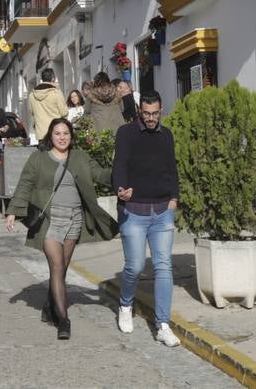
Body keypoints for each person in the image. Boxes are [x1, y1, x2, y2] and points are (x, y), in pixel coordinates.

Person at [5, 117, 118, 341]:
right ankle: (63, 319)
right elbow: (25, 183)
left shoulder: (80, 158)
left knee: (62, 269)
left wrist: (121, 172)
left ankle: (50, 307)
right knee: (57, 265)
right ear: (50, 135)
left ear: (71, 136)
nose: (62, 137)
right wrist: (13, 211)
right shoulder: (38, 158)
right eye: (57, 133)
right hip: (50, 220)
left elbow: (100, 175)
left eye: (66, 133)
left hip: (74, 219)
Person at [112, 93, 181, 347]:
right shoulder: (126, 133)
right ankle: (126, 304)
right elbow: (119, 164)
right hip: (134, 211)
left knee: (164, 266)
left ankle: (163, 324)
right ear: (140, 111)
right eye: (146, 113)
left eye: (155, 113)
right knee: (136, 266)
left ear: (161, 109)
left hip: (163, 211)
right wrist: (121, 188)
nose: (151, 118)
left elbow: (171, 168)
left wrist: (174, 197)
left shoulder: (167, 135)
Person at [28, 68, 68, 148]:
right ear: (53, 78)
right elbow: (64, 112)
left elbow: (32, 112)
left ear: (42, 79)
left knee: (43, 158)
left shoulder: (32, 95)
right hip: (55, 132)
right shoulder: (56, 93)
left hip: (41, 134)